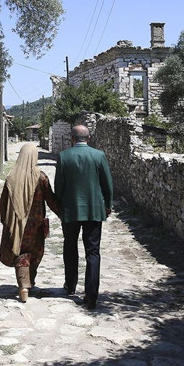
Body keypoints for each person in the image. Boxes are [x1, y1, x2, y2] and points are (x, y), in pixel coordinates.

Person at [54, 125, 113, 310]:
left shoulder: (64, 156)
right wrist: (108, 205)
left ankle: (70, 285)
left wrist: (60, 206)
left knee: (70, 247)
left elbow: (59, 186)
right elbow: (107, 184)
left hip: (70, 210)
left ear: (72, 138)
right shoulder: (99, 156)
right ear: (89, 138)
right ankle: (91, 295)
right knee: (93, 252)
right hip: (94, 210)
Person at [0, 143, 60, 302]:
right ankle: (26, 284)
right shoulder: (41, 178)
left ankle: (25, 285)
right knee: (34, 254)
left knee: (21, 254)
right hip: (36, 226)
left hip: (17, 224)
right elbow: (51, 200)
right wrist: (63, 214)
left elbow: (4, 202)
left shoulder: (11, 177)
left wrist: (5, 221)